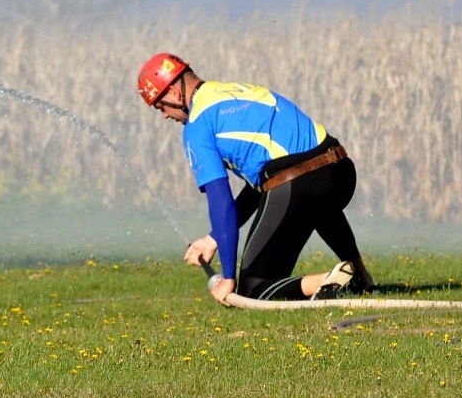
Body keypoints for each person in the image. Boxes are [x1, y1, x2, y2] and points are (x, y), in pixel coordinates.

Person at [137, 52, 375, 306]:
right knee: (317, 204)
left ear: (174, 92)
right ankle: (361, 276)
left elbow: (221, 203)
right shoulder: (238, 90)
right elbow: (263, 186)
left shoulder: (197, 126)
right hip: (340, 171)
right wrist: (213, 238)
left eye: (160, 105)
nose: (164, 115)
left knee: (253, 289)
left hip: (298, 184)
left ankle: (328, 280)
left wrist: (228, 278)